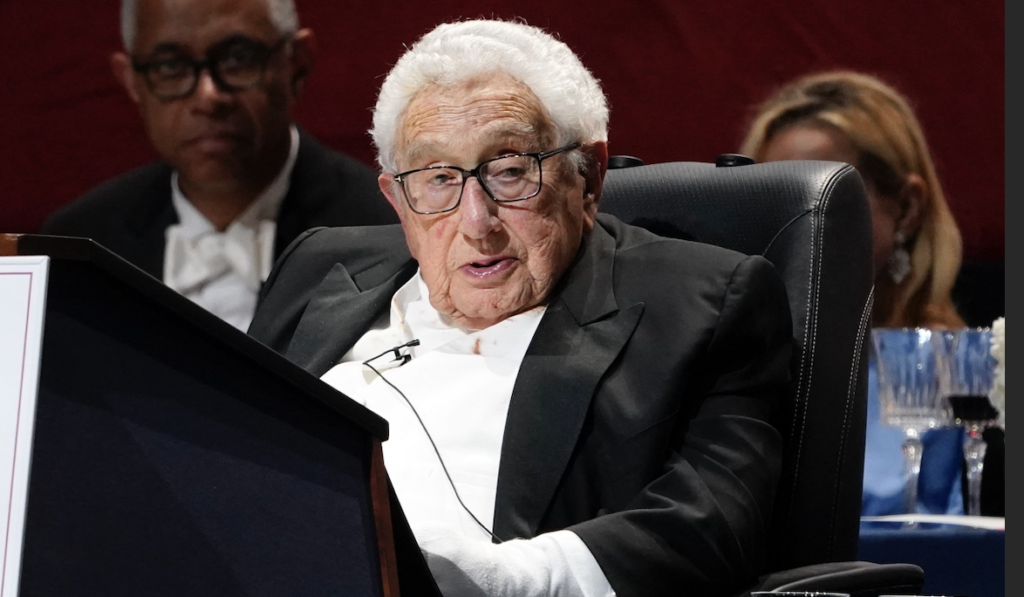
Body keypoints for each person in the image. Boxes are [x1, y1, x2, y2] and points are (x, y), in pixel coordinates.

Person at [248, 18, 794, 597]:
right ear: (396, 198)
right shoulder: (318, 268)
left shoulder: (699, 304)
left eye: (509, 171)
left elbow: (712, 528)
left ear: (588, 176)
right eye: (437, 178)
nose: (476, 223)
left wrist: (491, 581)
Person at [40, 0, 397, 331]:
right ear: (131, 80)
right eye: (170, 66)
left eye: (238, 58)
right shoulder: (77, 243)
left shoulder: (390, 230)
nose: (208, 96)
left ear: (296, 63)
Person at [739, 70, 967, 516]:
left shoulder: (971, 372)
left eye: (823, 201)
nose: (796, 228)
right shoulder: (742, 365)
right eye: (778, 201)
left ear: (905, 208)